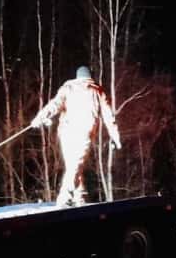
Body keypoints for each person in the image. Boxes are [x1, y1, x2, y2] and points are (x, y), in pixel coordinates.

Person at [31, 66, 122, 207]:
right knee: (75, 165)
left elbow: (55, 105)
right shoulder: (97, 90)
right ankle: (64, 198)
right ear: (90, 76)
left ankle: (79, 198)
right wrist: (116, 137)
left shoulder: (68, 88)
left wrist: (41, 117)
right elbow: (109, 116)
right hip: (84, 131)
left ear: (77, 76)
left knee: (73, 165)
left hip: (66, 132)